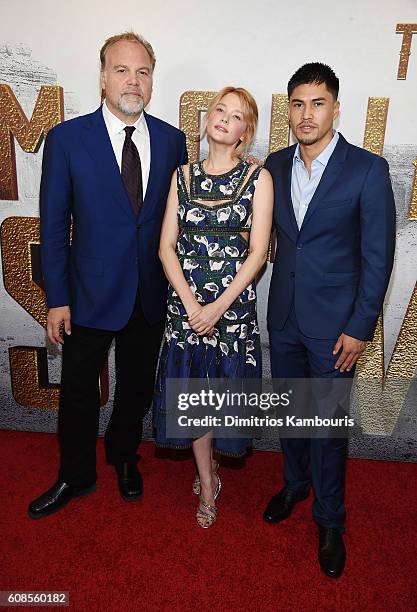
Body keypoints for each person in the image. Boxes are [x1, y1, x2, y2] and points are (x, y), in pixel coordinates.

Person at [28, 32, 187, 519]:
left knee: (136, 388)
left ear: (152, 80)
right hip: (87, 294)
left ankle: (123, 457)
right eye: (121, 70)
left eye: (142, 72)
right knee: (77, 393)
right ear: (102, 78)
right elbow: (53, 227)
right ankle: (75, 476)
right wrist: (57, 298)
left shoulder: (172, 139)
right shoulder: (67, 139)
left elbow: (176, 222)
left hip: (148, 294)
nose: (132, 81)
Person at [263, 63, 396, 577]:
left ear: (336, 108)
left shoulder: (367, 169)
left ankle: (330, 519)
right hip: (285, 318)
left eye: (317, 103)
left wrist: (361, 327)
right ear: (288, 109)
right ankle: (295, 486)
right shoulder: (273, 166)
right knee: (292, 416)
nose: (306, 114)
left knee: (328, 428)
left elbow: (378, 258)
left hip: (338, 328)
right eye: (297, 103)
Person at [154, 87, 273, 528]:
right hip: (185, 312)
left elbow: (258, 253)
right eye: (219, 109)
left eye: (236, 115)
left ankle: (213, 471)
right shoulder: (181, 177)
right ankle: (207, 482)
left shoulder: (259, 180)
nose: (225, 118)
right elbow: (167, 247)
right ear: (207, 121)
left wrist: (217, 308)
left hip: (232, 312)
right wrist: (191, 306)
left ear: (245, 132)